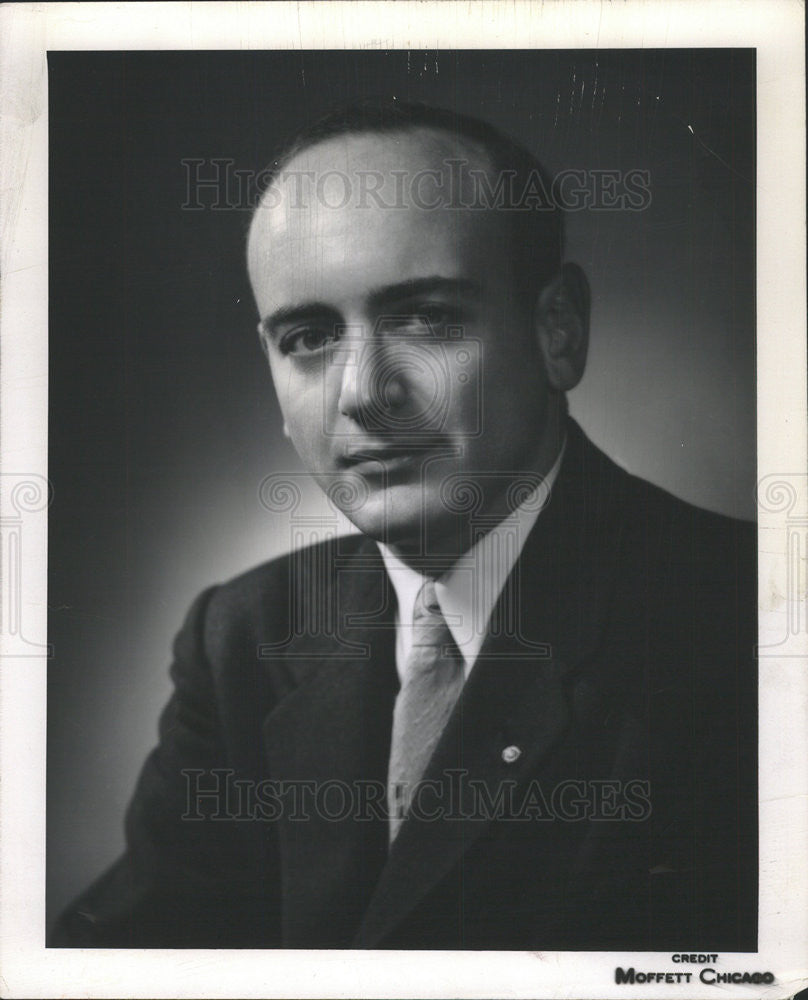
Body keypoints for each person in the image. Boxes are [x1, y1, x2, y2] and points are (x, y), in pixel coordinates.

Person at [51, 102, 757, 951]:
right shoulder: (243, 639)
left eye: (425, 318)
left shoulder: (747, 628)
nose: (361, 391)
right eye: (308, 337)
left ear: (558, 331)